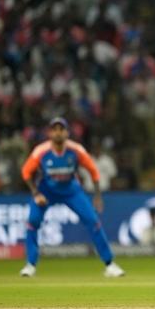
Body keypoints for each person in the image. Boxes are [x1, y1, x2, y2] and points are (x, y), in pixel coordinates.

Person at [19, 117, 125, 278]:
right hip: (46, 191)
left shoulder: (76, 150)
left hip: (71, 191)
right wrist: (36, 193)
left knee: (93, 221)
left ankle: (110, 264)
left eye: (61, 129)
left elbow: (93, 171)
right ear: (50, 133)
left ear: (67, 133)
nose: (58, 133)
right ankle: (30, 265)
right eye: (55, 129)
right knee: (33, 221)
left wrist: (97, 196)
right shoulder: (41, 151)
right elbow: (26, 172)